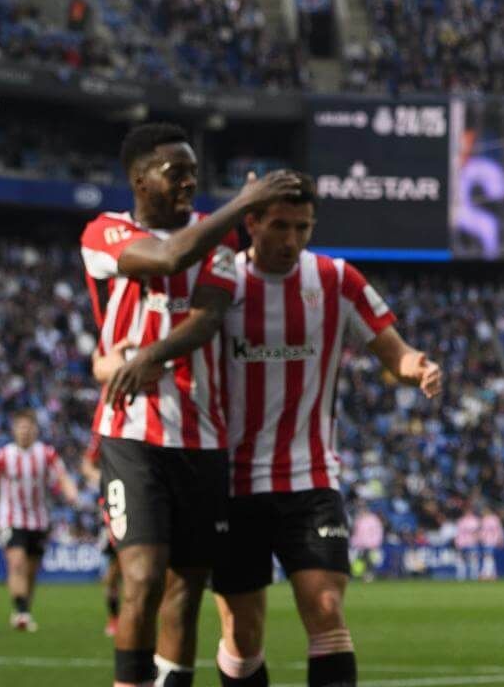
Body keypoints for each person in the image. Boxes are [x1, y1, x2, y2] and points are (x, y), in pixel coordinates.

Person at [96, 171, 441, 687]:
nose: (291, 240)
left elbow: (396, 352)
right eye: (280, 226)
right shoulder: (220, 280)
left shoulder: (337, 279)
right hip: (233, 482)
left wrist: (417, 367)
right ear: (251, 222)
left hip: (310, 477)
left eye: (303, 227)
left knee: (326, 607)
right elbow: (162, 346)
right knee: (243, 632)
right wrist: (109, 365)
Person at [81, 123, 305, 687]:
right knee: (142, 576)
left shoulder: (219, 244)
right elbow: (165, 258)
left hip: (202, 437)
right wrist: (244, 202)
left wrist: (149, 355)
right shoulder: (105, 232)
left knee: (185, 588)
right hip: (131, 432)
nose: (188, 182)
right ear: (139, 180)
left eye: (193, 173)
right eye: (174, 172)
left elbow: (207, 319)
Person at [0, 412, 80, 632]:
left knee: (31, 570)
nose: (24, 431)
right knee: (16, 562)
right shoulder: (2, 456)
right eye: (21, 427)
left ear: (35, 430)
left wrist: (71, 493)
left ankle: (23, 610)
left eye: (28, 427)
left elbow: (62, 476)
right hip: (10, 519)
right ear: (14, 430)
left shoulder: (46, 453)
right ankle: (22, 613)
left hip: (39, 520)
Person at [81, 437, 126, 636]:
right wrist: (108, 479)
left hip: (142, 509)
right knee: (113, 574)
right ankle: (114, 617)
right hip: (113, 513)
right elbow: (86, 465)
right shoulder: (105, 434)